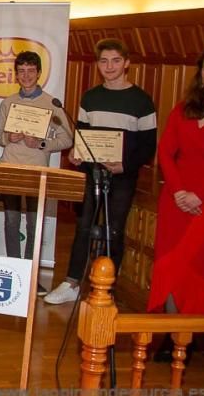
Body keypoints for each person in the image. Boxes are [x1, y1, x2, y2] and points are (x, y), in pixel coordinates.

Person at [44, 39, 157, 305]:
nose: (110, 66)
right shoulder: (91, 97)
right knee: (84, 227)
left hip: (123, 177)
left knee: (113, 231)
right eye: (104, 61)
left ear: (127, 63)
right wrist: (76, 154)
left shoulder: (141, 100)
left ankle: (105, 288)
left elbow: (148, 146)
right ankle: (72, 283)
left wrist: (124, 166)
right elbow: (82, 134)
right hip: (93, 174)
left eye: (116, 60)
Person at [147, 48, 204, 324]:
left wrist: (199, 195)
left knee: (194, 270)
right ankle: (165, 334)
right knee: (168, 266)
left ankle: (184, 336)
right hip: (175, 200)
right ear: (199, 75)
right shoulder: (183, 109)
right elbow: (165, 152)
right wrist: (178, 192)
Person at [0, 51, 73, 295]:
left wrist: (41, 143)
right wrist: (9, 137)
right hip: (10, 167)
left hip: (36, 170)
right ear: (16, 75)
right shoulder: (7, 103)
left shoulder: (52, 104)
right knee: (10, 221)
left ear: (39, 73)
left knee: (33, 224)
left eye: (31, 71)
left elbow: (67, 138)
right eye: (21, 71)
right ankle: (14, 271)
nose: (26, 75)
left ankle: (29, 276)